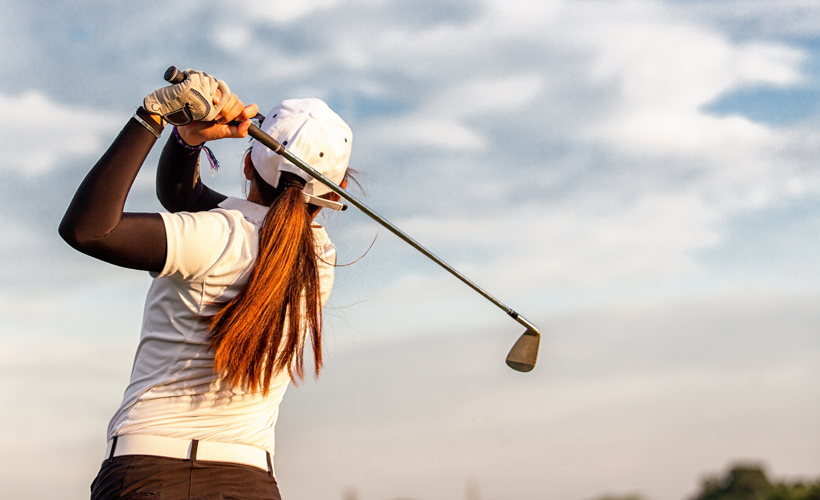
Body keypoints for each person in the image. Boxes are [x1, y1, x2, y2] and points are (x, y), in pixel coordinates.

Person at [59, 70, 354, 500]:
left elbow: (89, 230)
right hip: (249, 482)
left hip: (148, 476)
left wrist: (153, 116)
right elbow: (183, 197)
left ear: (249, 162)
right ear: (338, 190)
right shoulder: (319, 258)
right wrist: (188, 141)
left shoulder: (218, 234)